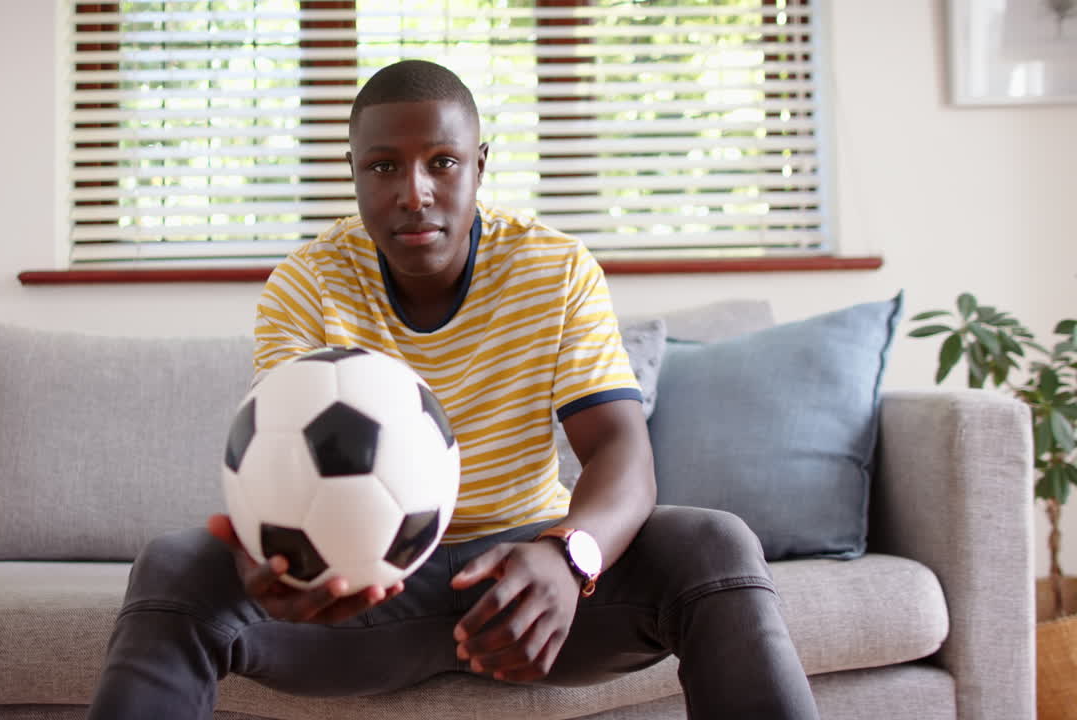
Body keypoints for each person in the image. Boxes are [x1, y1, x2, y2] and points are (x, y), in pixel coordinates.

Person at [86, 59, 819, 719]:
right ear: (352, 171)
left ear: (479, 165)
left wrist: (570, 557)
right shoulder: (306, 283)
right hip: (359, 595)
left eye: (443, 162)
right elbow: (278, 469)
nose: (415, 191)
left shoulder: (553, 270)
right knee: (176, 565)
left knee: (714, 543)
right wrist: (271, 564)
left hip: (532, 594)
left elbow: (620, 449)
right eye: (382, 167)